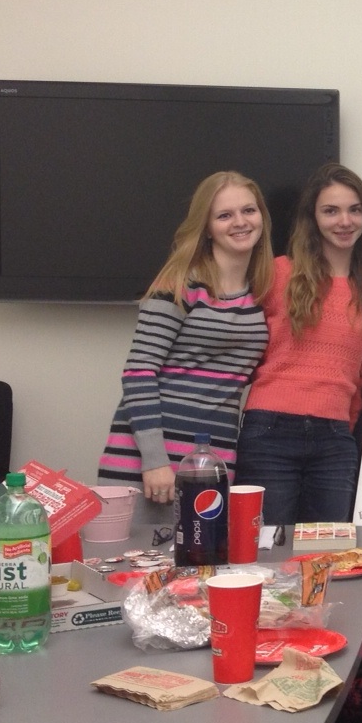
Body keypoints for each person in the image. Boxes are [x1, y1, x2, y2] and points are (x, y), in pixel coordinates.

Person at [234, 163, 362, 528]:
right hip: (269, 431)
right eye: (331, 210)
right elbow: (241, 348)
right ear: (313, 218)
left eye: (354, 210)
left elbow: (361, 376)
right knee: (265, 552)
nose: (344, 221)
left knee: (325, 558)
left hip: (336, 439)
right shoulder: (276, 273)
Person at [99, 172, 273, 504]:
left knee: (201, 556)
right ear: (207, 227)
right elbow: (138, 373)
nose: (240, 222)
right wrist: (154, 461)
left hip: (213, 457)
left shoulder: (262, 293)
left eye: (249, 211)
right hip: (149, 462)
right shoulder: (180, 282)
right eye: (224, 215)